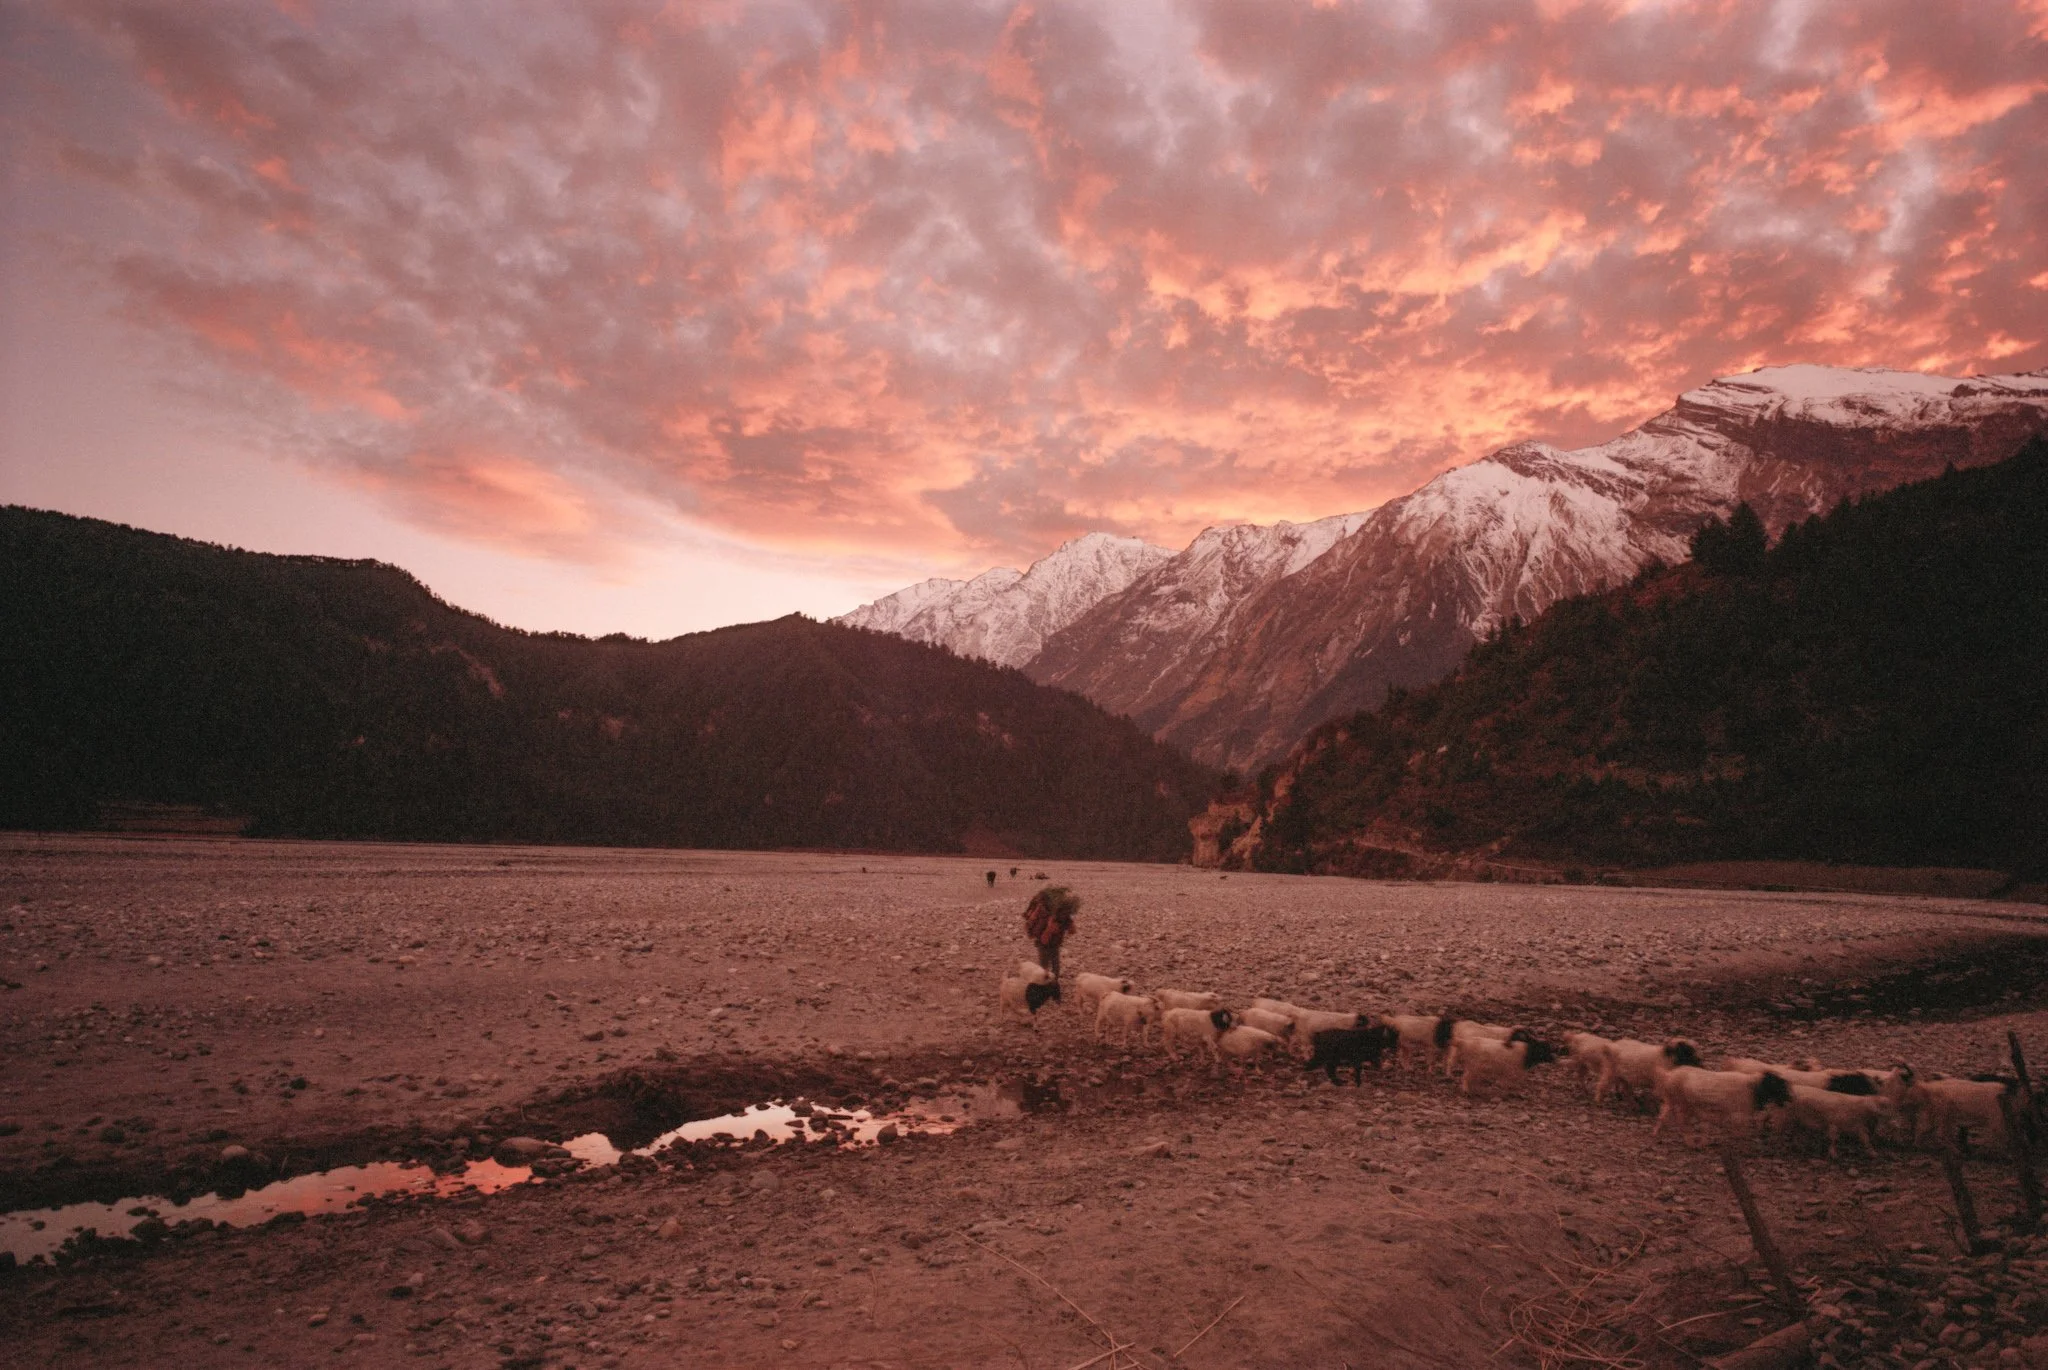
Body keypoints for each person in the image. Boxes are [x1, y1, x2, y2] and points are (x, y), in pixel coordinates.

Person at [1022, 886, 1079, 978]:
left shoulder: (1064, 917)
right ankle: (1045, 984)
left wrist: (1070, 923)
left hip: (1055, 943)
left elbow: (1072, 931)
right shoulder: (1047, 917)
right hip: (1043, 943)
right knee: (1044, 966)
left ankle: (1052, 984)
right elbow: (1044, 940)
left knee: (1054, 966)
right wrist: (1049, 928)